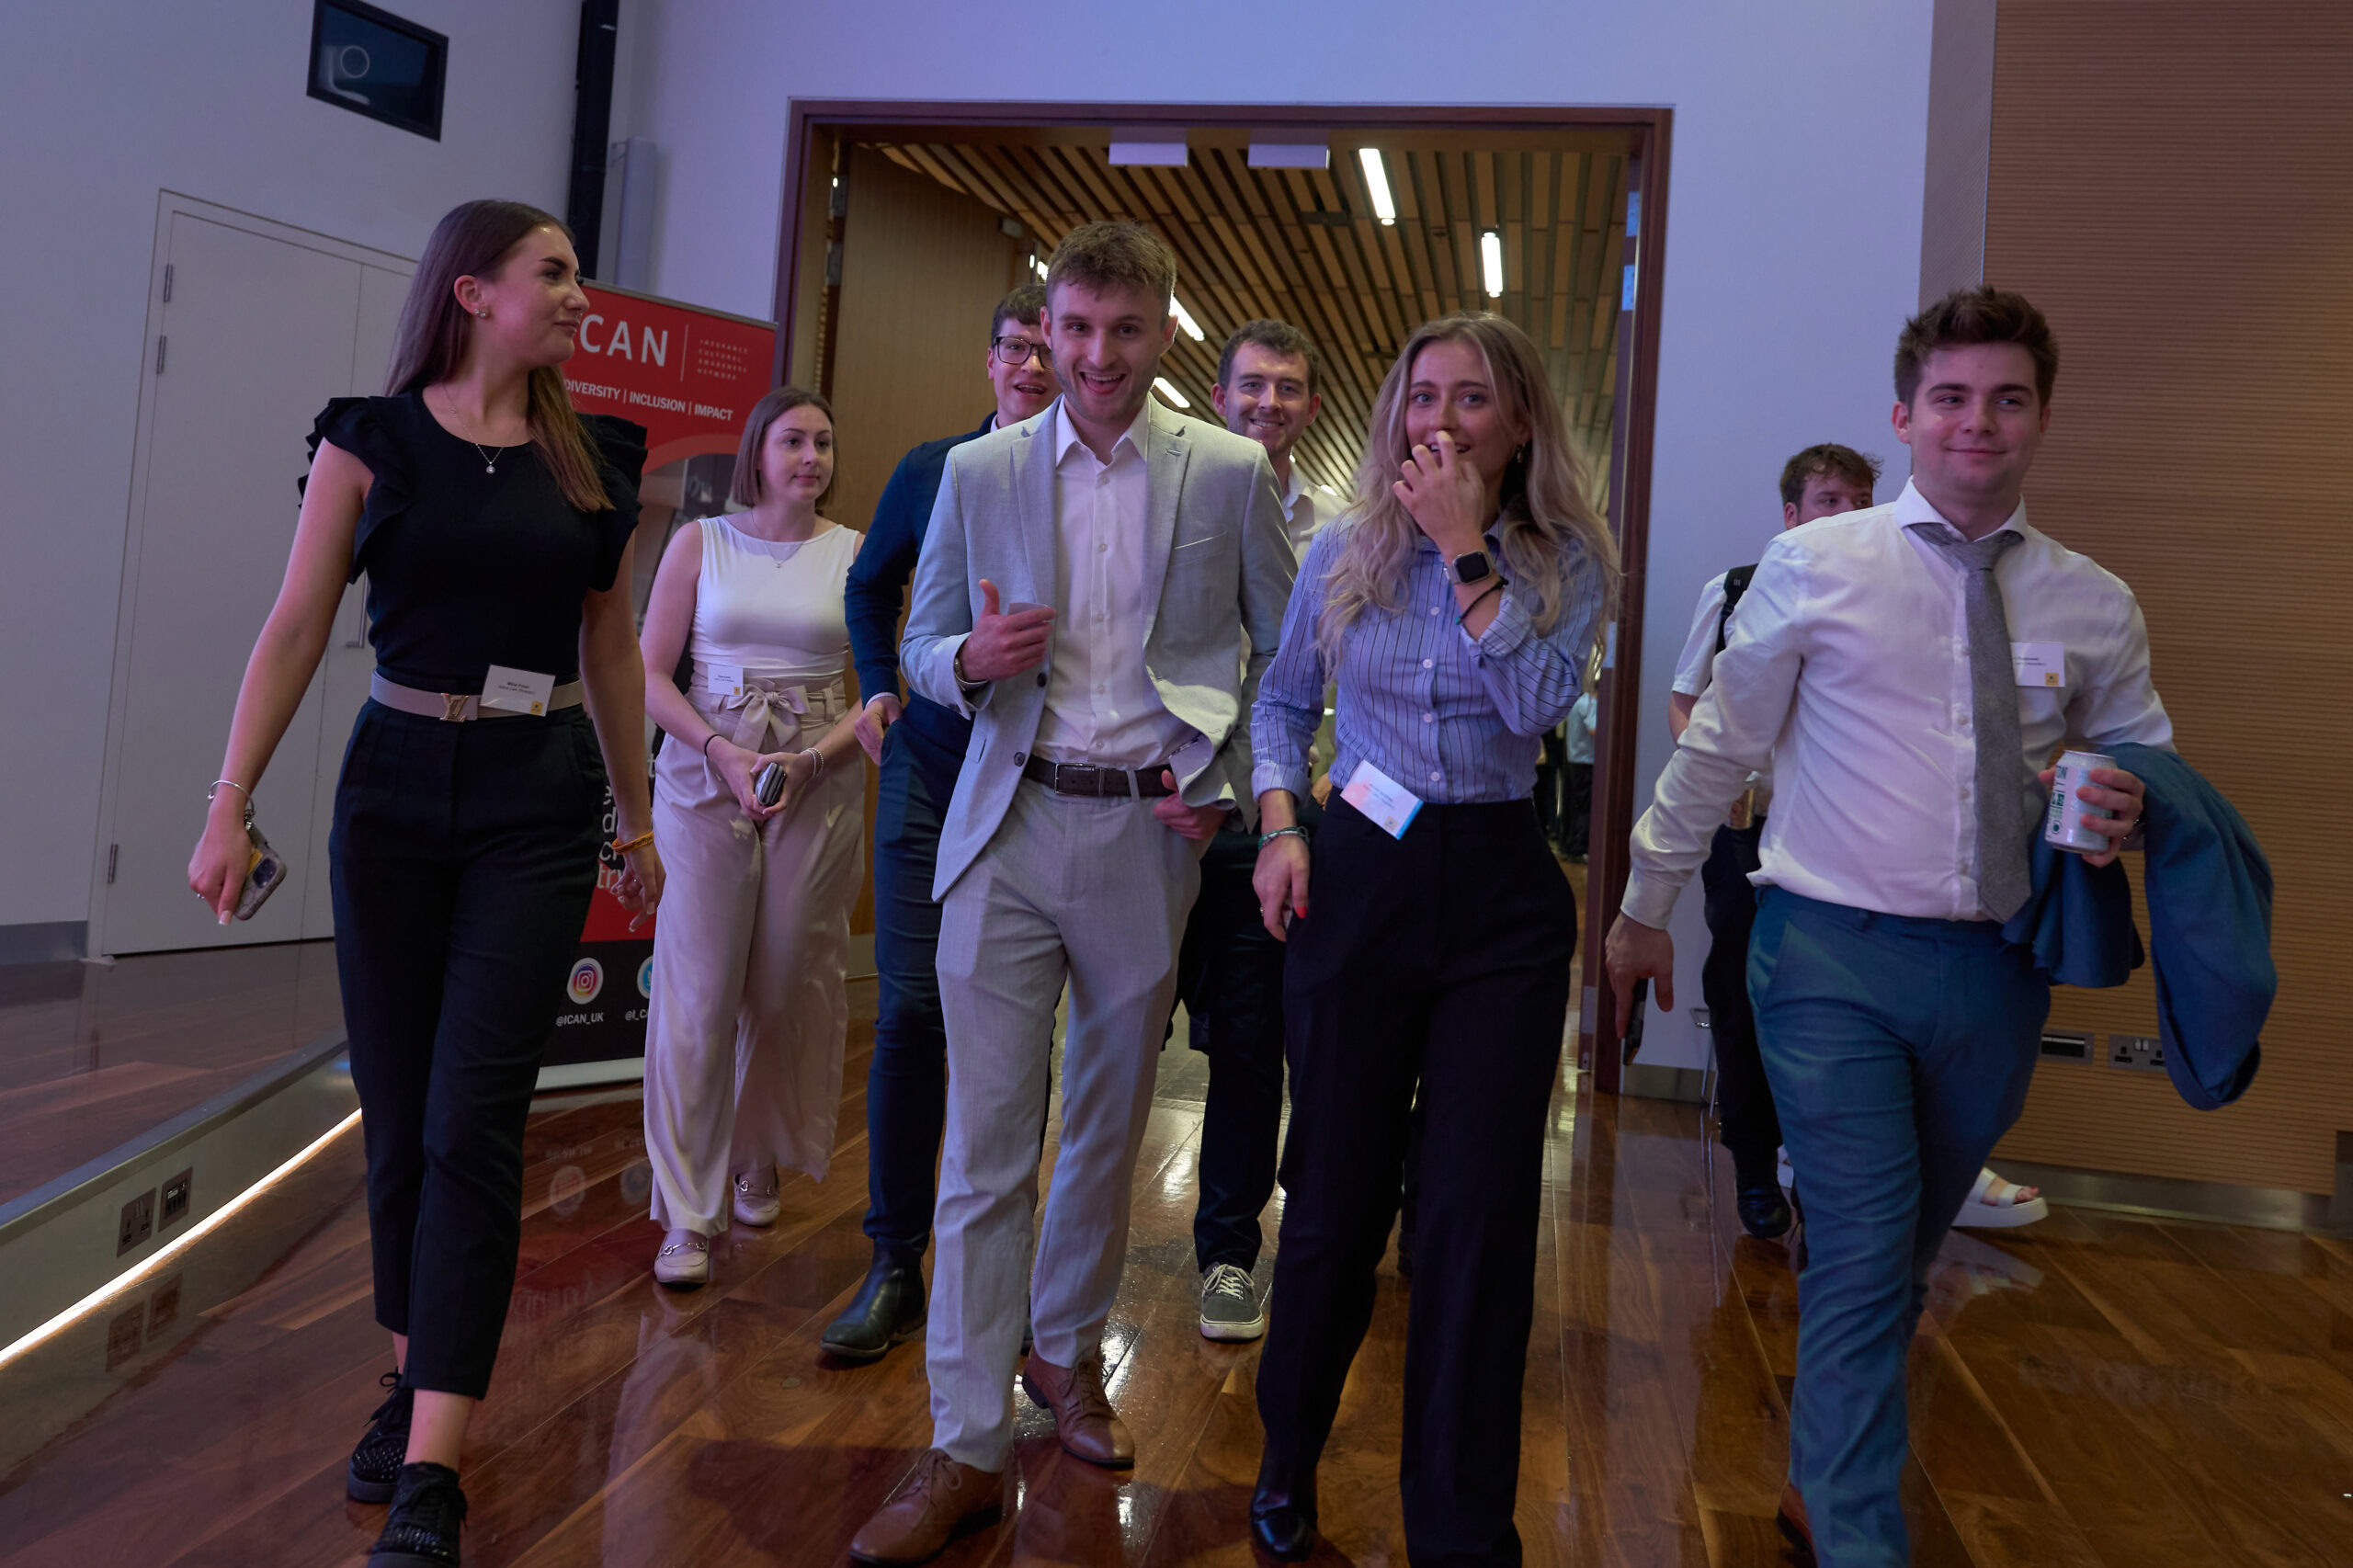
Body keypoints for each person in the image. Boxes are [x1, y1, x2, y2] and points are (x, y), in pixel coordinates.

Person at [1606, 287, 2170, 1568]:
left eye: (2009, 398)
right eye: (1955, 398)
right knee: (1863, 1241)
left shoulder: (2095, 604)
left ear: (2040, 419)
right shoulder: (1818, 562)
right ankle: (1860, 1531)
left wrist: (2132, 799)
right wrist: (1645, 906)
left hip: (1995, 973)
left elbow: (2147, 759)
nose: (1981, 422)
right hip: (1824, 956)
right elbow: (1718, 748)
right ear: (1906, 415)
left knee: (1906, 1246)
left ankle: (1823, 1472)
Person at [186, 199, 660, 1568]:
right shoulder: (370, 441)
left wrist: (636, 823)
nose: (580, 293)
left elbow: (613, 653)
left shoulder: (599, 458)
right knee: (398, 1118)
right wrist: (230, 801)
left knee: (473, 1120)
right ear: (472, 292)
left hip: (536, 797)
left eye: (576, 272)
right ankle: (415, 1373)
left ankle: (434, 1466)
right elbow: (294, 624)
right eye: (554, 272)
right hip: (392, 787)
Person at [848, 222, 1291, 1566]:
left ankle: (1062, 1354)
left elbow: (1282, 654)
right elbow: (921, 644)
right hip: (1008, 817)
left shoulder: (1225, 471)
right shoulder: (977, 469)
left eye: (1125, 332)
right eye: (1073, 332)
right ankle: (965, 1440)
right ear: (1046, 335)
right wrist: (965, 657)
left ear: (1165, 336)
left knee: (1102, 1132)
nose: (1095, 358)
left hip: (1147, 838)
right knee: (985, 1148)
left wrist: (1234, 778)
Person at [1247, 312, 1614, 1565]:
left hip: (1503, 891)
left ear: (1517, 424)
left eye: (1471, 399)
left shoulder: (1569, 559)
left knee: (1475, 1213)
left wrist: (1468, 552)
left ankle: (1460, 1526)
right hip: (1358, 865)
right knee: (1336, 1194)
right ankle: (1287, 1450)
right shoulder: (1344, 550)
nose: (1442, 420)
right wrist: (1281, 822)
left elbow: (1533, 703)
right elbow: (1285, 697)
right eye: (1422, 396)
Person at [1670, 444, 2049, 1242]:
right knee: (1743, 1001)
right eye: (1829, 500)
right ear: (1792, 513)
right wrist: (1728, 779)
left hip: (1851, 846)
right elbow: (1689, 704)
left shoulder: (1915, 590)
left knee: (1862, 1019)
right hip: (1750, 836)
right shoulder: (1738, 587)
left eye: (1859, 498)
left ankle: (1845, 1173)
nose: (1847, 513)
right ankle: (1754, 1163)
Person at [824, 284, 1056, 1360]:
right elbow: (867, 590)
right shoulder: (934, 470)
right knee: (913, 1013)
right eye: (1016, 345)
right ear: (990, 359)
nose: (1035, 365)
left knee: (1013, 1033)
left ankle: (1003, 1277)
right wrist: (879, 687)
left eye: (1052, 348)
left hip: (1049, 781)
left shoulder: (1094, 482)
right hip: (929, 766)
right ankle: (894, 1262)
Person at [636, 387, 868, 1289]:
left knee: (780, 981)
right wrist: (720, 748)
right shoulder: (703, 542)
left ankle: (756, 1150)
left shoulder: (856, 553)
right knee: (696, 995)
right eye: (793, 440)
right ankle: (686, 1212)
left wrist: (810, 759)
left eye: (824, 440)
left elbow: (876, 689)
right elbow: (650, 673)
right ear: (757, 453)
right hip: (704, 773)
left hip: (817, 775)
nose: (811, 455)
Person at [1176, 317, 1324, 1343]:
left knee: (1254, 1040)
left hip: (1276, 820)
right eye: (1251, 386)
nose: (1268, 403)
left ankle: (1230, 1251)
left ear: (1308, 406)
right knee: (1129, 1033)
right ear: (1219, 397)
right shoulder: (1171, 507)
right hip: (1166, 808)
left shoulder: (1345, 528)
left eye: (1287, 388)